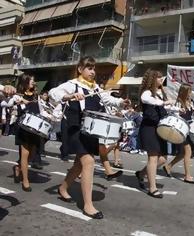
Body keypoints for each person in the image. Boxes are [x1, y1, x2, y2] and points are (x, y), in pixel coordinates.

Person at [49, 56, 130, 219]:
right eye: (89, 68)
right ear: (80, 69)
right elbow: (53, 93)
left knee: (79, 165)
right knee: (89, 162)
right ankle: (88, 205)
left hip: (90, 131)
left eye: (94, 68)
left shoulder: (96, 89)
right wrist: (70, 96)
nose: (93, 71)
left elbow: (110, 99)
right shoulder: (72, 84)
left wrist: (122, 102)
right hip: (74, 128)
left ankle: (63, 188)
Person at [134, 68, 173, 199]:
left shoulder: (161, 93)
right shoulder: (147, 93)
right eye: (159, 77)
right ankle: (152, 188)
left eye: (162, 77)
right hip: (149, 128)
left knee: (163, 158)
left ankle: (141, 174)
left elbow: (166, 107)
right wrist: (163, 102)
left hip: (160, 128)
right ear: (152, 79)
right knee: (153, 157)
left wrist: (177, 107)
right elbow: (146, 100)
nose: (161, 79)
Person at [9, 75, 50, 191]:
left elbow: (41, 110)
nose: (34, 82)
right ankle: (25, 180)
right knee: (25, 154)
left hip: (35, 127)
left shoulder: (37, 95)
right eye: (31, 80)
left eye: (33, 80)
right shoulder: (18, 95)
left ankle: (18, 167)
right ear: (25, 82)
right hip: (24, 127)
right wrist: (22, 101)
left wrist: (50, 116)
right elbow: (15, 103)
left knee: (31, 155)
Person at [162, 83, 194, 184]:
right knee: (188, 152)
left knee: (182, 154)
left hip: (188, 130)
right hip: (181, 130)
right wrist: (180, 113)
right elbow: (175, 117)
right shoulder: (178, 103)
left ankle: (168, 166)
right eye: (189, 91)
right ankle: (187, 176)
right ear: (185, 92)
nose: (191, 93)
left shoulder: (190, 103)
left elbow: (191, 117)